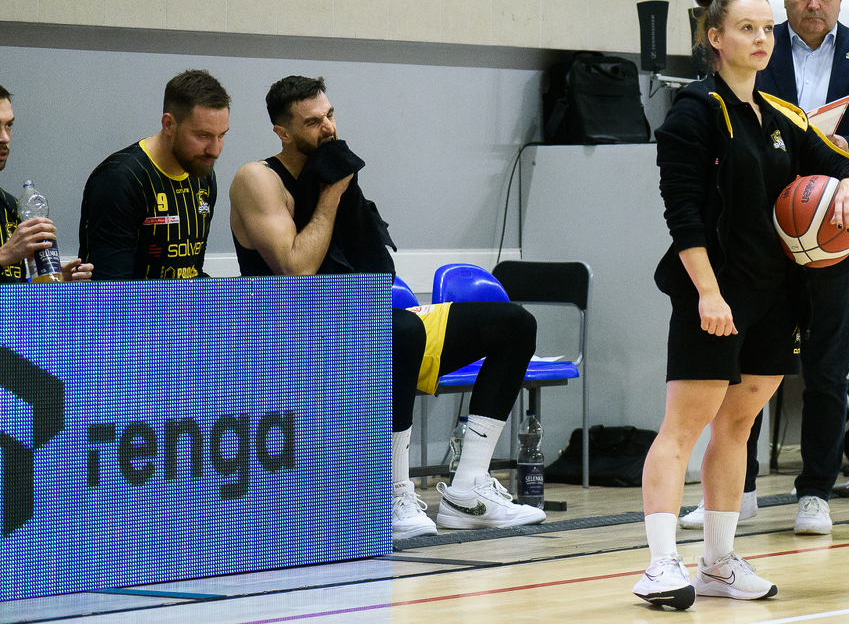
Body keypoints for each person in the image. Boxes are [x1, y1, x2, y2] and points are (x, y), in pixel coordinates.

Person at [635, 0, 849, 608]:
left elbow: (838, 159)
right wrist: (708, 294)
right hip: (715, 292)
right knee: (683, 427)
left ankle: (717, 564)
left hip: (774, 296)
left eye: (768, 29)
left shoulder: (781, 113)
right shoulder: (693, 112)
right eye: (747, 28)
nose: (763, 39)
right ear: (715, 38)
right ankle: (660, 564)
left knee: (736, 427)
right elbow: (683, 216)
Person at [227, 75, 542, 539]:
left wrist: (343, 189)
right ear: (283, 132)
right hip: (291, 335)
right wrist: (331, 195)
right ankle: (391, 494)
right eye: (313, 122)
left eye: (330, 115)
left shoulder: (335, 171)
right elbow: (296, 269)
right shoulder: (258, 178)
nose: (328, 129)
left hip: (359, 323)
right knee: (400, 331)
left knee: (513, 323)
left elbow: (377, 271)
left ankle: (469, 490)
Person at [682, 0, 849, 535]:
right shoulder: (758, 45)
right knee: (746, 365)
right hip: (762, 232)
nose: (813, 4)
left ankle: (815, 491)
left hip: (834, 229)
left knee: (826, 366)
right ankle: (736, 490)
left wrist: (837, 148)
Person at [78, 70, 230, 281]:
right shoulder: (120, 179)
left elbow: (193, 270)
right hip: (131, 302)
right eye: (203, 135)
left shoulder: (202, 172)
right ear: (168, 124)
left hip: (185, 301)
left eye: (221, 135)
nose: (215, 150)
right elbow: (111, 288)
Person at [0, 84, 92, 284]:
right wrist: (4, 255)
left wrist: (53, 280)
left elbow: (10, 286)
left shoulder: (9, 205)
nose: (5, 138)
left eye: (9, 125)